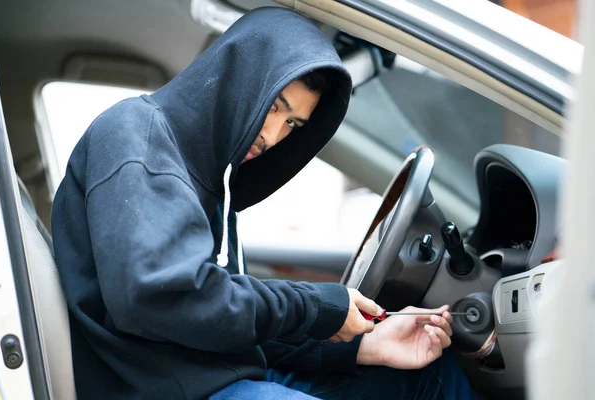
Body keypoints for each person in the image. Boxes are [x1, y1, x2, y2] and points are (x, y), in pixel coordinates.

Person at [51, 6, 477, 400]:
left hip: (219, 374)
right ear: (242, 77)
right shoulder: (138, 137)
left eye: (292, 123)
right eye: (274, 107)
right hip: (170, 389)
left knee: (429, 375)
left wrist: (361, 348)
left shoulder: (211, 178)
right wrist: (315, 308)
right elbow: (158, 297)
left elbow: (220, 319)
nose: (273, 136)